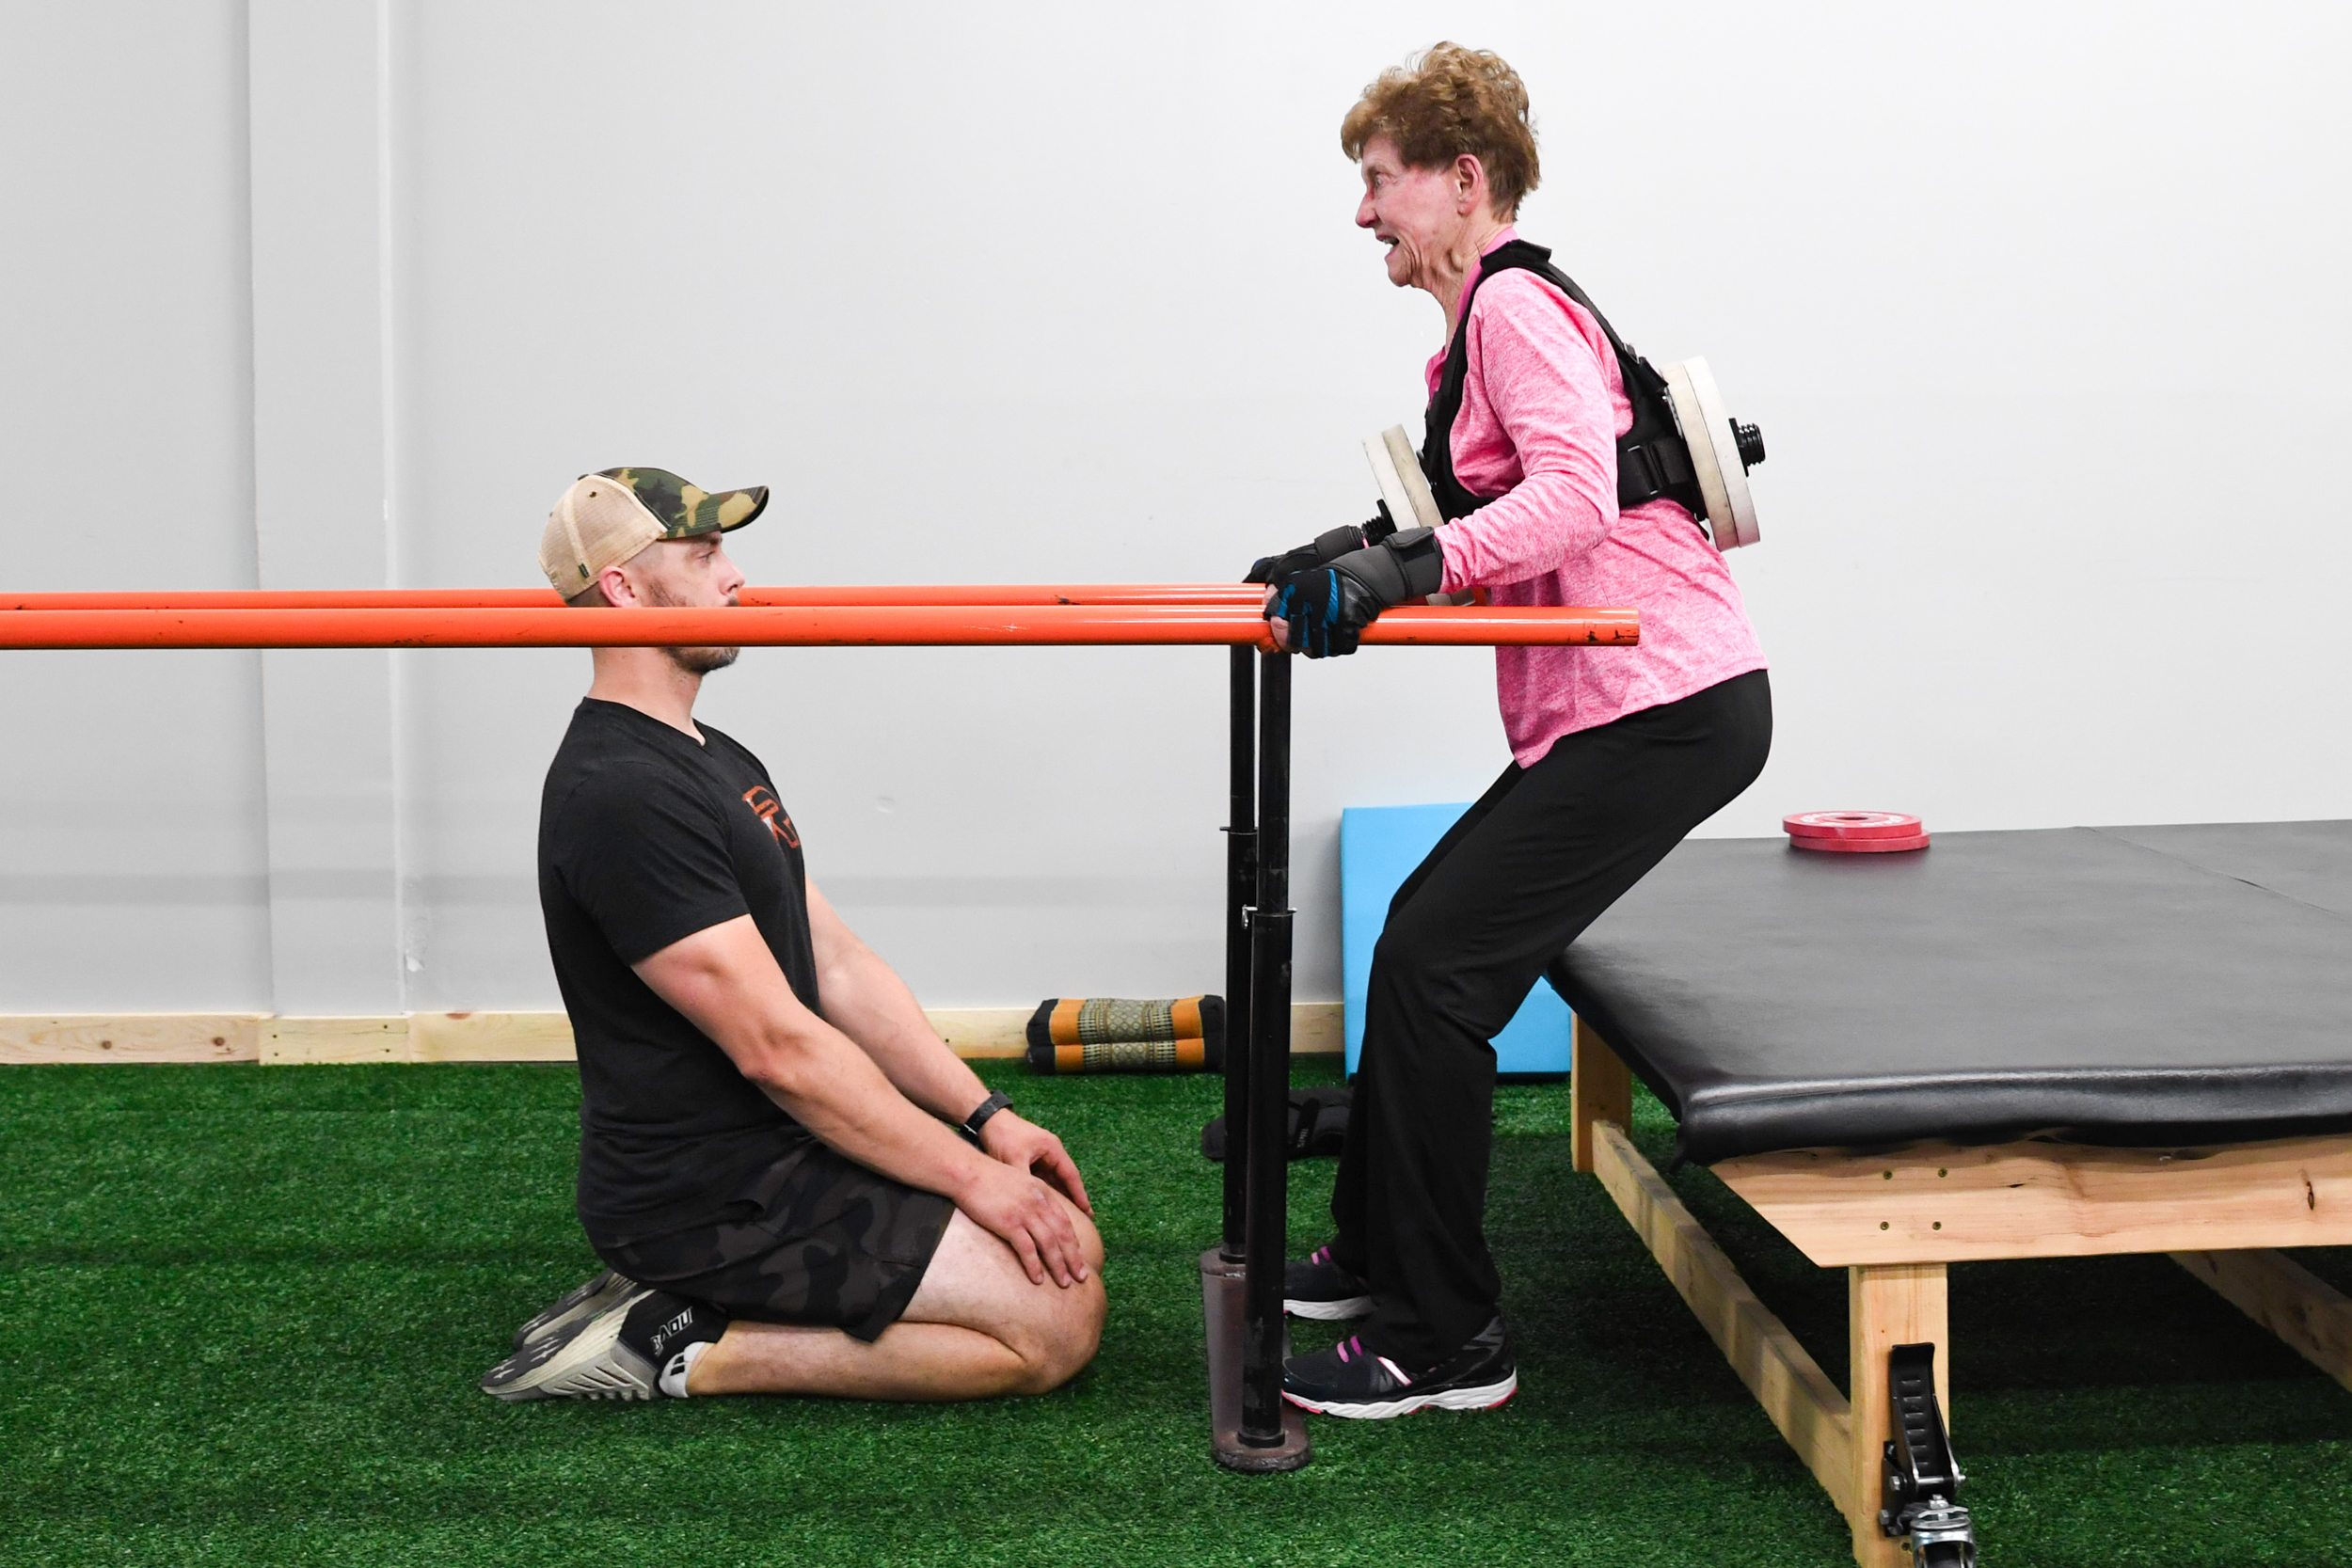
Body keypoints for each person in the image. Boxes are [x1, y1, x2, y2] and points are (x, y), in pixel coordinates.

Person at [1249, 46, 1772, 1418]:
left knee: (1434, 971)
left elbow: (1574, 501)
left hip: (1665, 700)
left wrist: (1404, 572)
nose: (1364, 214)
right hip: (1624, 708)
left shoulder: (1515, 305)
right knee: (1420, 933)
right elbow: (1482, 509)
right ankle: (1376, 1251)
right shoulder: (1476, 324)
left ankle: (1446, 1336)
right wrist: (1357, 551)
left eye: (1379, 182)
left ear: (1461, 179)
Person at [483, 466, 1104, 1403]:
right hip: (706, 1193)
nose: (734, 576)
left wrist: (988, 1118)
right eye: (703, 554)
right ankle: (676, 1344)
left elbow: (840, 970)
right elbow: (780, 1048)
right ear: (623, 587)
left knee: (1068, 1246)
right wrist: (973, 1183)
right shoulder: (620, 791)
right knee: (1053, 1323)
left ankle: (686, 1299)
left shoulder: (710, 754)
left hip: (783, 1148)